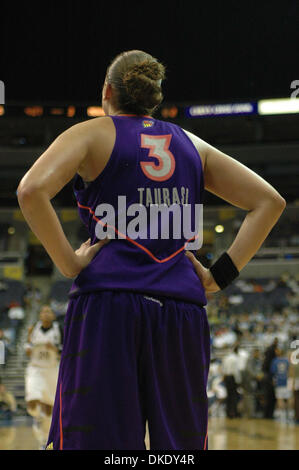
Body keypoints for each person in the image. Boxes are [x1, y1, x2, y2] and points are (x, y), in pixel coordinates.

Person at [17, 50, 286, 450]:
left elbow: (30, 190)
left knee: (98, 444)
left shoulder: (90, 134)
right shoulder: (193, 145)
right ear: (154, 99)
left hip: (108, 305)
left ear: (107, 91)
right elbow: (270, 202)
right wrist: (218, 276)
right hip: (179, 311)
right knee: (179, 446)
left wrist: (70, 262)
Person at [24, 305, 63, 449]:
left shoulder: (58, 329)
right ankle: (37, 416)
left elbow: (64, 349)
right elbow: (27, 347)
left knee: (49, 408)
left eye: (49, 312)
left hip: (52, 369)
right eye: (43, 311)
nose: (46, 314)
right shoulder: (34, 327)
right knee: (32, 401)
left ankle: (44, 440)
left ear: (53, 315)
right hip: (36, 369)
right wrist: (29, 348)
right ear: (40, 315)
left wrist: (53, 348)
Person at [270, 347, 290, 422]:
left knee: (280, 398)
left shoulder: (275, 361)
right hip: (287, 381)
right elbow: (289, 371)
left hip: (279, 381)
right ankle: (289, 414)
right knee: (288, 398)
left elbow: (273, 372)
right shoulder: (287, 361)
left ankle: (282, 415)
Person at [222, 345, 242, 418]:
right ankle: (233, 413)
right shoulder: (235, 359)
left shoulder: (226, 358)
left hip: (227, 377)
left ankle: (228, 412)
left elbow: (223, 369)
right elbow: (235, 371)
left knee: (229, 395)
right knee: (234, 396)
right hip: (232, 378)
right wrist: (238, 381)